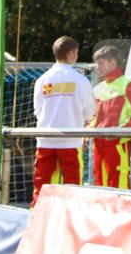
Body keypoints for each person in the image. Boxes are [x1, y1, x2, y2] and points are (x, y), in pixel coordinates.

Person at [30, 36, 94, 208]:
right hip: (71, 141)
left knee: (42, 188)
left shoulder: (42, 80)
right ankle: (70, 221)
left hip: (45, 140)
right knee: (72, 188)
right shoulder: (80, 80)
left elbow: (37, 111)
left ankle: (36, 220)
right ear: (72, 53)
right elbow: (89, 113)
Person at [91, 45, 131, 189]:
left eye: (101, 63)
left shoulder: (129, 85)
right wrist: (87, 131)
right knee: (100, 184)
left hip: (118, 145)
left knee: (118, 185)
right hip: (98, 143)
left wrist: (118, 133)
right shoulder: (98, 89)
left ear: (113, 62)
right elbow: (95, 118)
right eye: (97, 63)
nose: (97, 67)